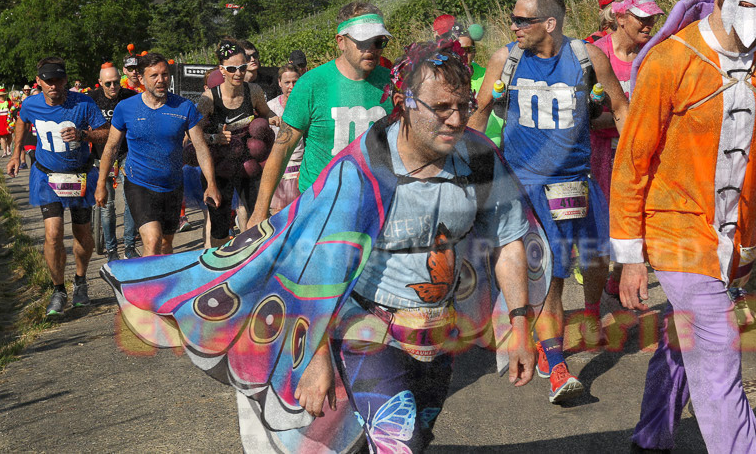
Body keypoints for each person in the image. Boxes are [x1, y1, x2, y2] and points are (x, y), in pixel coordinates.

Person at [101, 40, 551, 453]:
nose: (456, 119)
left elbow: (510, 239)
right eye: (440, 108)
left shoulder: (478, 157)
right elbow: (317, 265)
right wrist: (314, 357)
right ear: (402, 105)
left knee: (420, 434)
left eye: (463, 105)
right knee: (402, 441)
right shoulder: (358, 171)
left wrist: (519, 326)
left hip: (436, 333)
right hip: (366, 328)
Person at [612, 0, 756, 454]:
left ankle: (651, 434)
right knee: (718, 344)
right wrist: (631, 257)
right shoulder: (670, 59)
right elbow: (632, 162)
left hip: (734, 236)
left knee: (690, 341)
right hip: (674, 226)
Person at [469, 0, 629, 404]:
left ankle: (584, 319)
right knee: (553, 277)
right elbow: (480, 115)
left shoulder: (586, 58)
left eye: (523, 20)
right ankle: (557, 365)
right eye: (514, 19)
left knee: (595, 260)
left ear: (549, 23)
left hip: (578, 183)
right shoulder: (506, 60)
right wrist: (463, 168)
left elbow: (623, 109)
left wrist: (636, 161)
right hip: (526, 188)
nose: (514, 26)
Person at [247, 1, 393, 226]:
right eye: (363, 41)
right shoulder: (312, 84)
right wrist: (260, 211)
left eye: (378, 41)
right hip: (322, 208)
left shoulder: (393, 84)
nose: (371, 48)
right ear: (341, 41)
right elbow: (282, 148)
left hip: (378, 206)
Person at [7, 57, 109, 316]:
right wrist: (16, 152)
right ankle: (58, 289)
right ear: (39, 82)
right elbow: (22, 120)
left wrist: (83, 135)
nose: (54, 86)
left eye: (59, 80)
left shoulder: (83, 103)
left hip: (80, 175)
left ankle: (81, 281)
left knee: (82, 232)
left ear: (65, 79)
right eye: (48, 81)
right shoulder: (31, 103)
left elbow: (106, 131)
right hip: (46, 176)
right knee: (53, 234)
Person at [96, 54, 220, 257]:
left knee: (165, 244)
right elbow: (111, 147)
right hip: (140, 184)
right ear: (142, 79)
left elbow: (200, 147)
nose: (160, 80)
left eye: (164, 75)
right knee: (152, 241)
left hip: (172, 185)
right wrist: (102, 184)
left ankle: (164, 286)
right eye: (154, 75)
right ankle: (147, 289)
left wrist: (211, 184)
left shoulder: (184, 107)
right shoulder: (126, 108)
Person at [589, 0, 664, 298]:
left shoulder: (655, 53)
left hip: (641, 148)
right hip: (600, 151)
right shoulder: (594, 54)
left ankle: (621, 275)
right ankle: (601, 285)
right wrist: (621, 119)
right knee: (606, 220)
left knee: (640, 215)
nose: (649, 25)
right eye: (642, 19)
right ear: (619, 18)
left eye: (653, 19)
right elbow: (586, 116)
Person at [197, 39, 279, 247]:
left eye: (242, 68)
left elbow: (266, 112)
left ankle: (254, 265)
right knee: (220, 224)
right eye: (232, 69)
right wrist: (215, 138)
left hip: (248, 163)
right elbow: (192, 136)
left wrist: (271, 118)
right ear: (222, 70)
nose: (238, 73)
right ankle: (218, 269)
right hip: (219, 166)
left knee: (258, 217)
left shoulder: (254, 91)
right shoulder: (208, 99)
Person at [88, 63, 139, 260]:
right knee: (107, 206)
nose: (112, 87)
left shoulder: (130, 97)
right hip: (101, 158)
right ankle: (111, 251)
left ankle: (129, 246)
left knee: (130, 202)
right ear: (100, 82)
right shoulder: (92, 99)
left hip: (127, 155)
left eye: (116, 82)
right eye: (107, 83)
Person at [433, 14, 504, 146]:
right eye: (460, 49)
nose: (465, 54)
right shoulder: (440, 79)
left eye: (469, 49)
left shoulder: (489, 75)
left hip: (492, 143)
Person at [267, 63, 305, 213]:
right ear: (279, 83)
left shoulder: (307, 104)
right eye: (287, 82)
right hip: (279, 169)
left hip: (301, 169)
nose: (291, 86)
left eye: (295, 82)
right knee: (278, 216)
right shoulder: (270, 107)